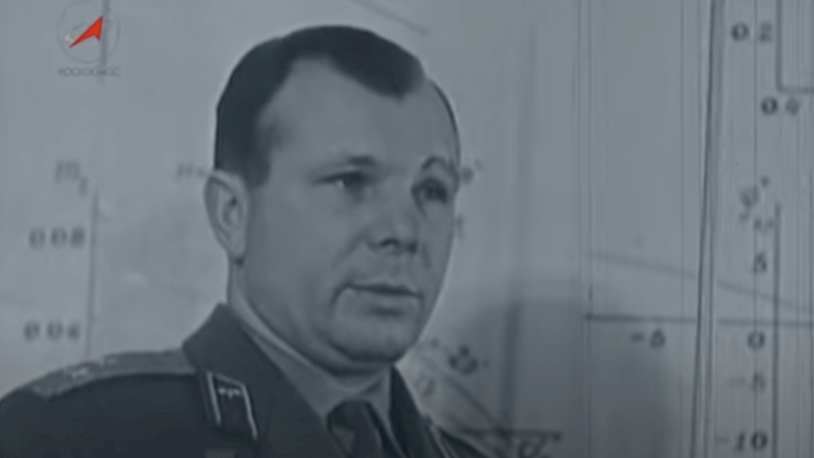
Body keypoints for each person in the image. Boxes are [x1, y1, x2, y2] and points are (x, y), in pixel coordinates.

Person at [0, 25, 492, 458]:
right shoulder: (63, 440)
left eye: (432, 191)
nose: (404, 231)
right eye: (350, 182)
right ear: (232, 214)